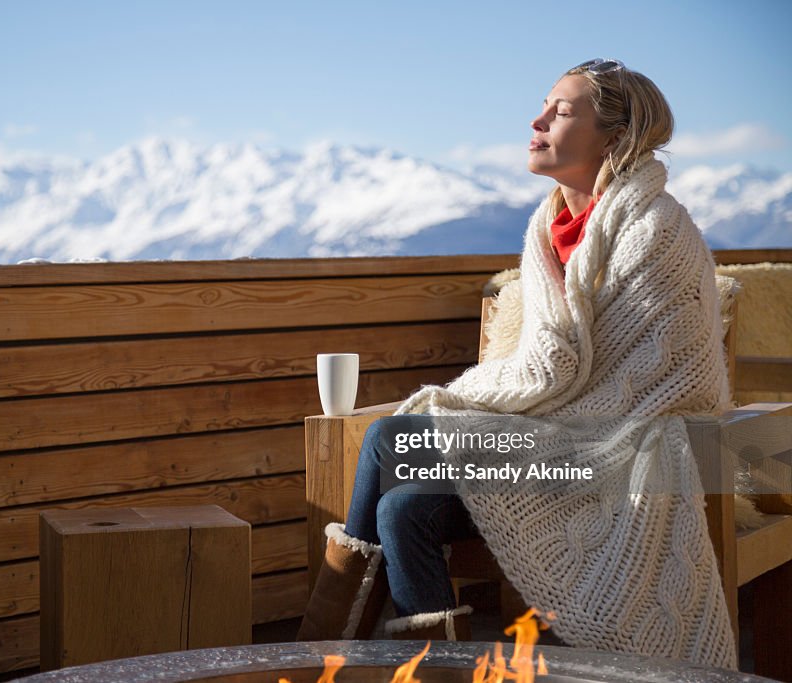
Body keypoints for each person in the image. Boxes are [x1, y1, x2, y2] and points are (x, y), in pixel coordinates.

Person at [297, 59, 737, 670]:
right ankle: (430, 669)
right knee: (401, 509)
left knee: (389, 438)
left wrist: (471, 402)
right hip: (547, 445)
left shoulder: (658, 228)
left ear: (616, 135)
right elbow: (547, 366)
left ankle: (324, 651)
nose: (536, 120)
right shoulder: (547, 227)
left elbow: (597, 374)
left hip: (603, 455)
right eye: (543, 106)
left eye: (561, 111)